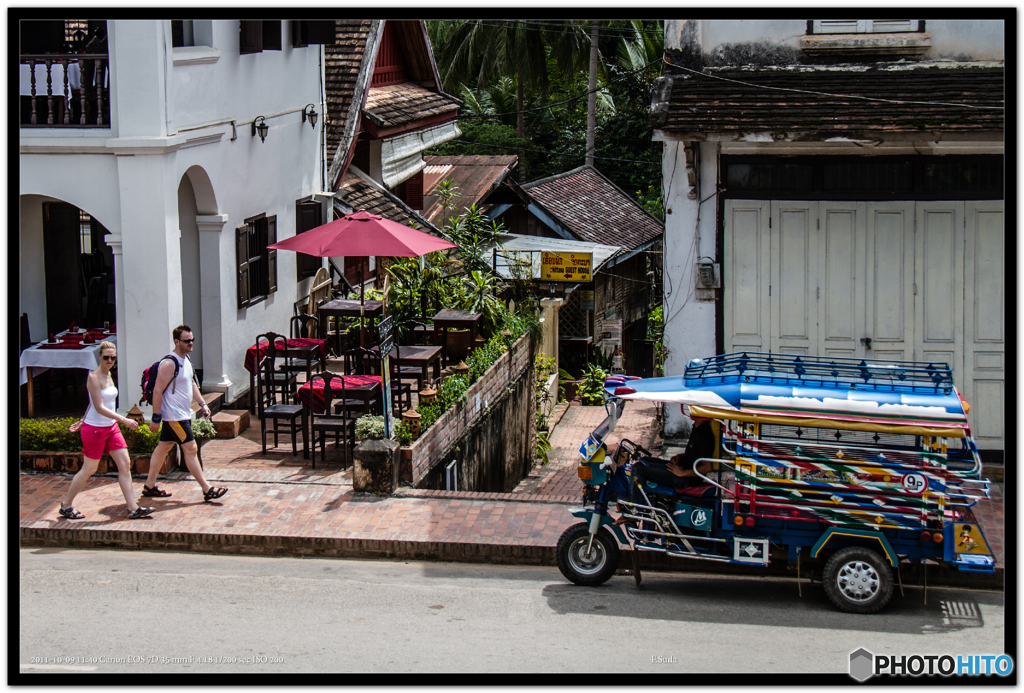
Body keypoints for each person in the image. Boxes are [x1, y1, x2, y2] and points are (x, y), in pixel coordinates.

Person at [59, 341, 154, 520]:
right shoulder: (93, 377)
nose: (110, 360)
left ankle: (133, 507)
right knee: (89, 468)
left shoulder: (110, 374)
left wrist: (82, 418)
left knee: (125, 464)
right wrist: (123, 419)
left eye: (113, 357)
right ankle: (66, 505)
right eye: (106, 357)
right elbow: (99, 406)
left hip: (110, 428)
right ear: (99, 357)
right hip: (95, 430)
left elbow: (93, 403)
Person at [142, 325, 227, 502]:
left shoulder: (186, 360)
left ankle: (149, 485)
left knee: (163, 447)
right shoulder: (169, 363)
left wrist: (202, 403)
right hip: (174, 417)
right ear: (176, 341)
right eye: (187, 341)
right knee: (191, 448)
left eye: (192, 340)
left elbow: (191, 384)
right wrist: (156, 418)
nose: (191, 343)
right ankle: (207, 488)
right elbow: (157, 391)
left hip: (182, 413)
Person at [627, 414, 717, 507]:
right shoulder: (697, 428)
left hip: (685, 478)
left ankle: (634, 509)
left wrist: (683, 473)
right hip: (682, 467)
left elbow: (708, 467)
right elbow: (695, 454)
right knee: (644, 460)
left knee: (638, 468)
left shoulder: (704, 435)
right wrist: (680, 456)